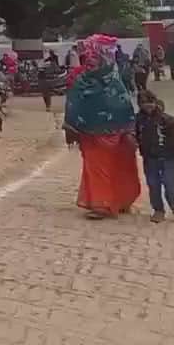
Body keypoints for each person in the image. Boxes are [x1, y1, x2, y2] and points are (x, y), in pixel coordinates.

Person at [63, 34, 141, 219]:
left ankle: (119, 201)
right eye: (88, 58)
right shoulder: (81, 80)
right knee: (97, 168)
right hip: (89, 135)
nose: (90, 62)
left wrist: (130, 130)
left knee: (119, 166)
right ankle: (102, 204)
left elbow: (126, 105)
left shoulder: (115, 80)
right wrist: (70, 126)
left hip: (117, 134)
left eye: (94, 58)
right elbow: (73, 103)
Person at [136, 91, 174, 224]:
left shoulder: (167, 120)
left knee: (170, 183)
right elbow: (135, 136)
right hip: (150, 158)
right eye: (144, 103)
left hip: (167, 158)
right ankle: (158, 210)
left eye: (150, 102)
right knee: (153, 184)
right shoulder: (138, 121)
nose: (148, 106)